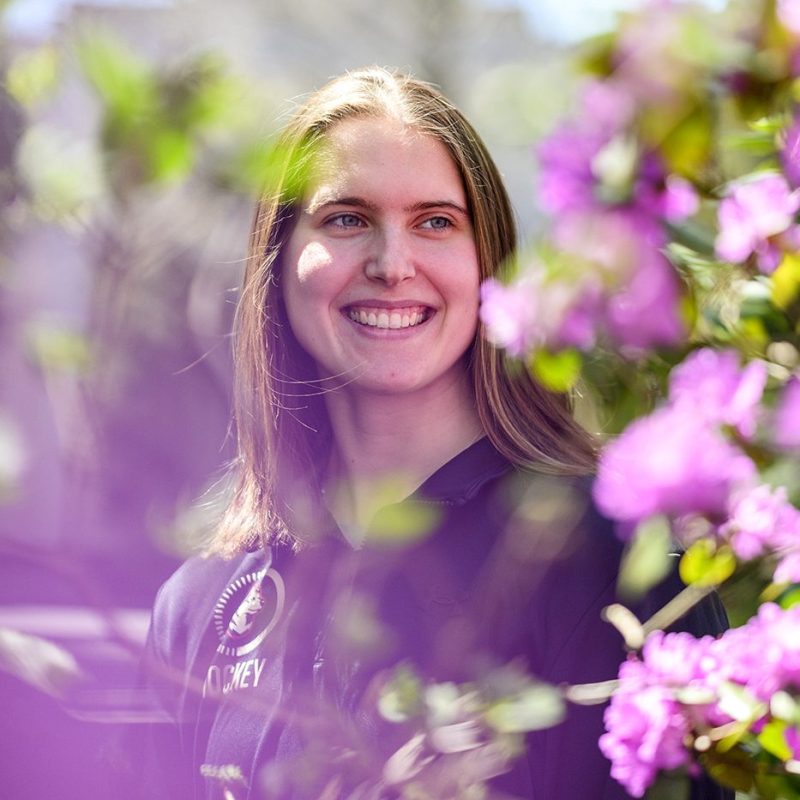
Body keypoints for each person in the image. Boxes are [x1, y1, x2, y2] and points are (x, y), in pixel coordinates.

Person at [134, 67, 731, 799]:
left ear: (488, 264)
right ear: (280, 263)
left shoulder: (607, 558)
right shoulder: (200, 603)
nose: (392, 264)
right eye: (346, 218)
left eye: (436, 222)